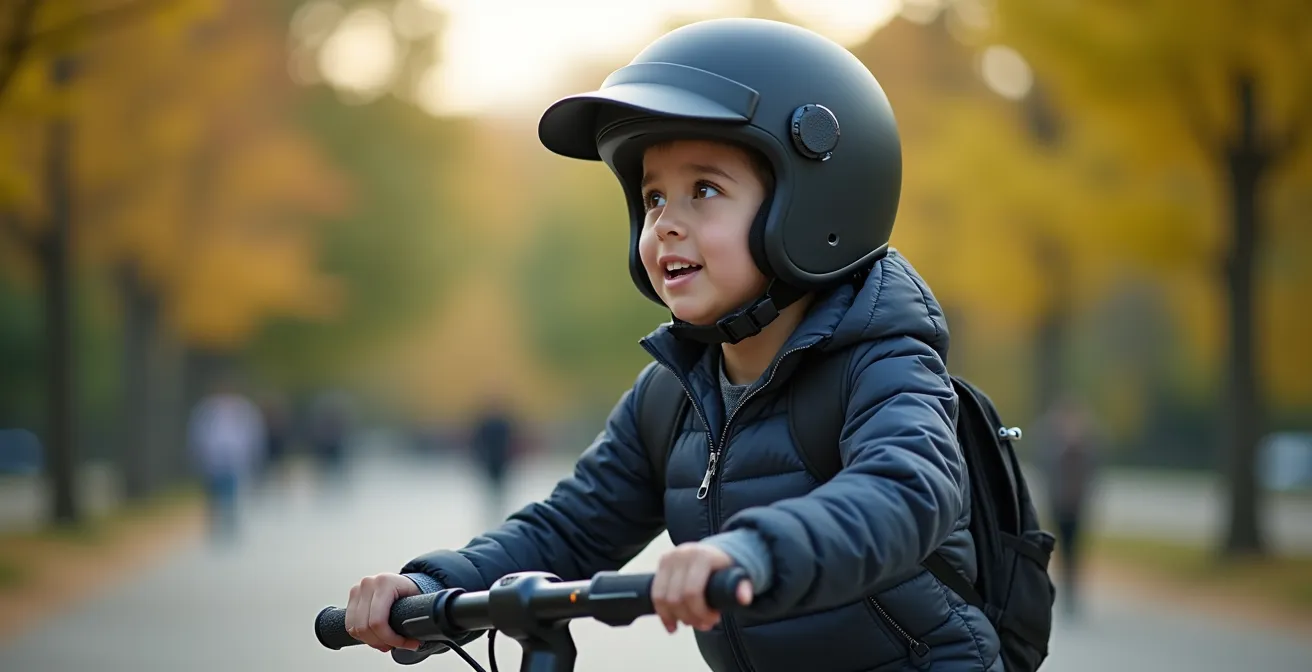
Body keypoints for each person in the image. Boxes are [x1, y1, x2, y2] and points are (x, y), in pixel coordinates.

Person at [343, 19, 1000, 671]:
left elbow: (905, 493)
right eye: (653, 197)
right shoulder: (675, 392)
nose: (667, 225)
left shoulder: (882, 359)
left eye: (704, 190)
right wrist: (432, 586)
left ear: (816, 207)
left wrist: (753, 551)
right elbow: (571, 527)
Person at [1038, 395, 1100, 618]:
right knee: (1062, 550)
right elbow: (1047, 470)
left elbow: (1093, 473)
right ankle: (1065, 592)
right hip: (1059, 505)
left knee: (1075, 552)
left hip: (1077, 506)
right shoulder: (1054, 444)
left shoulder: (1087, 446)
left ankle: (1073, 594)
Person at [186, 376, 265, 543]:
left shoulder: (242, 409)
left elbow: (252, 432)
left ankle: (230, 522)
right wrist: (199, 453)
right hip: (213, 456)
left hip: (235, 456)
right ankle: (215, 523)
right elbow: (197, 433)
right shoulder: (207, 410)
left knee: (232, 490)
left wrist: (252, 453)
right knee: (214, 491)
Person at [468, 393, 519, 528]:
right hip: (491, 462)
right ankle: (494, 514)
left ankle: (498, 513)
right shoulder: (486, 423)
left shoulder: (503, 423)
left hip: (501, 462)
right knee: (492, 490)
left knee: (499, 490)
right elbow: (477, 443)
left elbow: (511, 442)